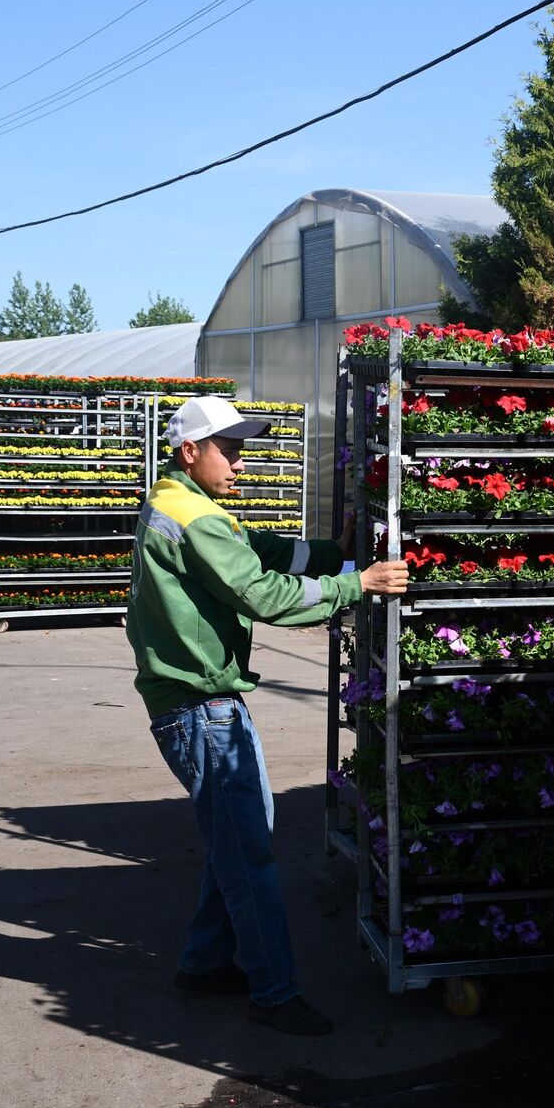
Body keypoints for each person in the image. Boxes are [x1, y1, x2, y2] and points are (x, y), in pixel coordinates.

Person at [127, 395, 407, 1036]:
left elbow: (253, 550)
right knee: (250, 852)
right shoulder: (192, 516)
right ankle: (275, 993)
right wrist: (354, 585)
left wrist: (330, 555)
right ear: (189, 451)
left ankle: (203, 964)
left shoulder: (176, 504)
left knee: (239, 839)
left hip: (198, 702)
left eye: (241, 448)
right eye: (228, 449)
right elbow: (258, 592)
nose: (239, 462)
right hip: (200, 707)